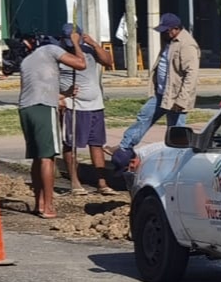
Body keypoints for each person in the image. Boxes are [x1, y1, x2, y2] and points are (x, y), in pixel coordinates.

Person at [108, 13, 200, 171]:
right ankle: (124, 147)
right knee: (144, 116)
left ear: (175, 29)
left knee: (176, 131)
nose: (163, 33)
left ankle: (178, 162)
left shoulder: (187, 45)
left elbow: (191, 75)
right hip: (161, 93)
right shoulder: (170, 41)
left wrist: (182, 100)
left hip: (176, 97)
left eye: (166, 30)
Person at [19, 29, 89, 218]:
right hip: (43, 108)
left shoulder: (28, 61)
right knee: (47, 157)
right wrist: (76, 44)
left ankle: (39, 203)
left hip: (26, 109)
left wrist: (64, 94)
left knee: (37, 157)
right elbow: (81, 64)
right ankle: (49, 206)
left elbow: (38, 88)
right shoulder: (51, 49)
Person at [58, 23, 115, 195]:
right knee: (71, 144)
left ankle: (102, 183)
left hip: (95, 105)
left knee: (96, 143)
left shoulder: (89, 51)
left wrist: (94, 44)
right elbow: (79, 63)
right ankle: (75, 182)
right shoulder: (59, 53)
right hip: (74, 106)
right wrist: (75, 44)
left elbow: (109, 61)